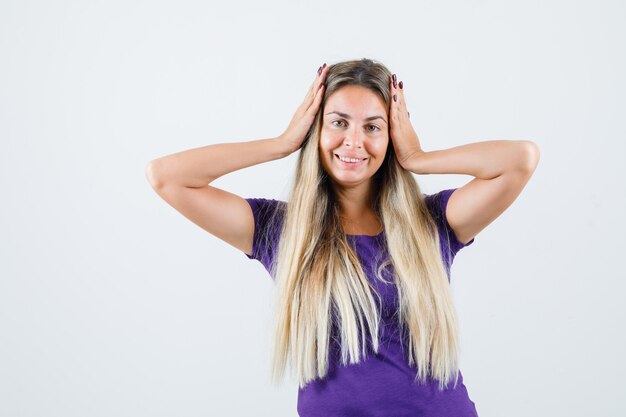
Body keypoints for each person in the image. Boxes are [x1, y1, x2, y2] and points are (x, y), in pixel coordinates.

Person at [145, 58, 540, 417]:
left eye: (372, 127)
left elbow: (520, 159)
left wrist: (418, 157)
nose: (354, 141)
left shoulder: (432, 222)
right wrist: (281, 144)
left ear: (391, 137)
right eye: (338, 122)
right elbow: (167, 177)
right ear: (314, 129)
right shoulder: (281, 230)